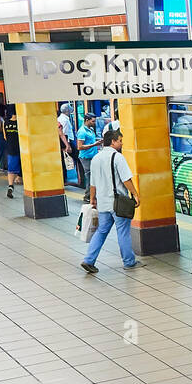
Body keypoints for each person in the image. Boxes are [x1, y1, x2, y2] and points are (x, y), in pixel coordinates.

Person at [81, 128, 141, 274]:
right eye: (120, 141)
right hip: (118, 203)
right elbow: (126, 179)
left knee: (101, 231)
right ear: (113, 142)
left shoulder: (96, 158)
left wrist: (92, 199)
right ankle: (129, 261)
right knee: (123, 232)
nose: (121, 144)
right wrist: (135, 194)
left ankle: (89, 260)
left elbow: (92, 183)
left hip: (103, 203)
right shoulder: (118, 158)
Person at [74, 112, 100, 190]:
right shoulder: (82, 132)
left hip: (93, 155)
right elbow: (80, 147)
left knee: (94, 176)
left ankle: (92, 194)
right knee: (89, 176)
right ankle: (88, 195)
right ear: (87, 120)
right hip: (86, 157)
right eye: (93, 121)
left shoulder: (91, 130)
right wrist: (94, 144)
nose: (94, 123)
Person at [2, 105, 22, 199]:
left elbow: (5, 137)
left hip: (11, 148)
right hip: (22, 149)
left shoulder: (5, 122)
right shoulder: (21, 122)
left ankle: (10, 185)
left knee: (11, 169)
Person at [58, 105, 77, 185]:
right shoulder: (64, 120)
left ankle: (65, 179)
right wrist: (67, 145)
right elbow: (63, 134)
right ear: (67, 111)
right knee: (77, 157)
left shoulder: (60, 119)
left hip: (66, 142)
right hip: (68, 142)